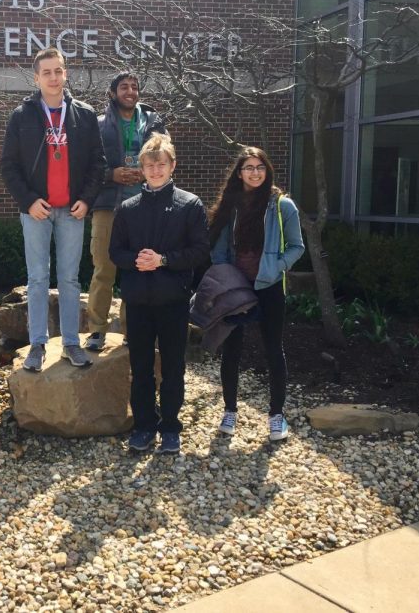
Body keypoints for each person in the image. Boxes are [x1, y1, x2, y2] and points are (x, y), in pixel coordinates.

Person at [0, 47, 106, 371]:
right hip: (37, 211)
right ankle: (37, 344)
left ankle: (71, 343)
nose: (53, 77)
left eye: (58, 71)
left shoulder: (84, 114)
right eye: (46, 72)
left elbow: (97, 163)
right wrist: (28, 201)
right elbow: (8, 165)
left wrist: (86, 199)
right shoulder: (22, 115)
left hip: (72, 211)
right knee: (37, 279)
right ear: (36, 77)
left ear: (65, 73)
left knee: (70, 279)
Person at [109, 134, 209, 454]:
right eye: (149, 165)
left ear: (172, 166)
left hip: (173, 300)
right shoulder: (127, 208)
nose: (155, 170)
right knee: (140, 367)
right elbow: (115, 252)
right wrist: (136, 261)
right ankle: (143, 425)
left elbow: (199, 251)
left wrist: (163, 260)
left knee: (173, 367)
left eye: (161, 164)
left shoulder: (189, 205)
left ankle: (169, 426)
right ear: (142, 169)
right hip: (137, 300)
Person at [209, 146, 305, 441]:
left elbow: (296, 246)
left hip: (269, 286)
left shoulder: (282, 205)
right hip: (237, 287)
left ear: (267, 170)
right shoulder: (232, 204)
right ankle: (229, 411)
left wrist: (276, 268)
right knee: (232, 351)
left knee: (273, 349)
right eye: (248, 167)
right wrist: (225, 273)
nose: (254, 172)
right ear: (240, 173)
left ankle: (276, 416)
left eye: (259, 167)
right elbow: (220, 246)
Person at [85, 71, 167, 351]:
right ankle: (96, 331)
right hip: (108, 205)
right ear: (113, 93)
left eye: (134, 87)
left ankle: (134, 329)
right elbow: (87, 166)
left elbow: (165, 159)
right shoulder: (97, 124)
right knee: (103, 270)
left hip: (144, 208)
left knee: (138, 270)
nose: (130, 91)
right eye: (123, 87)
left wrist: (146, 174)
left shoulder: (154, 123)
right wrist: (112, 174)